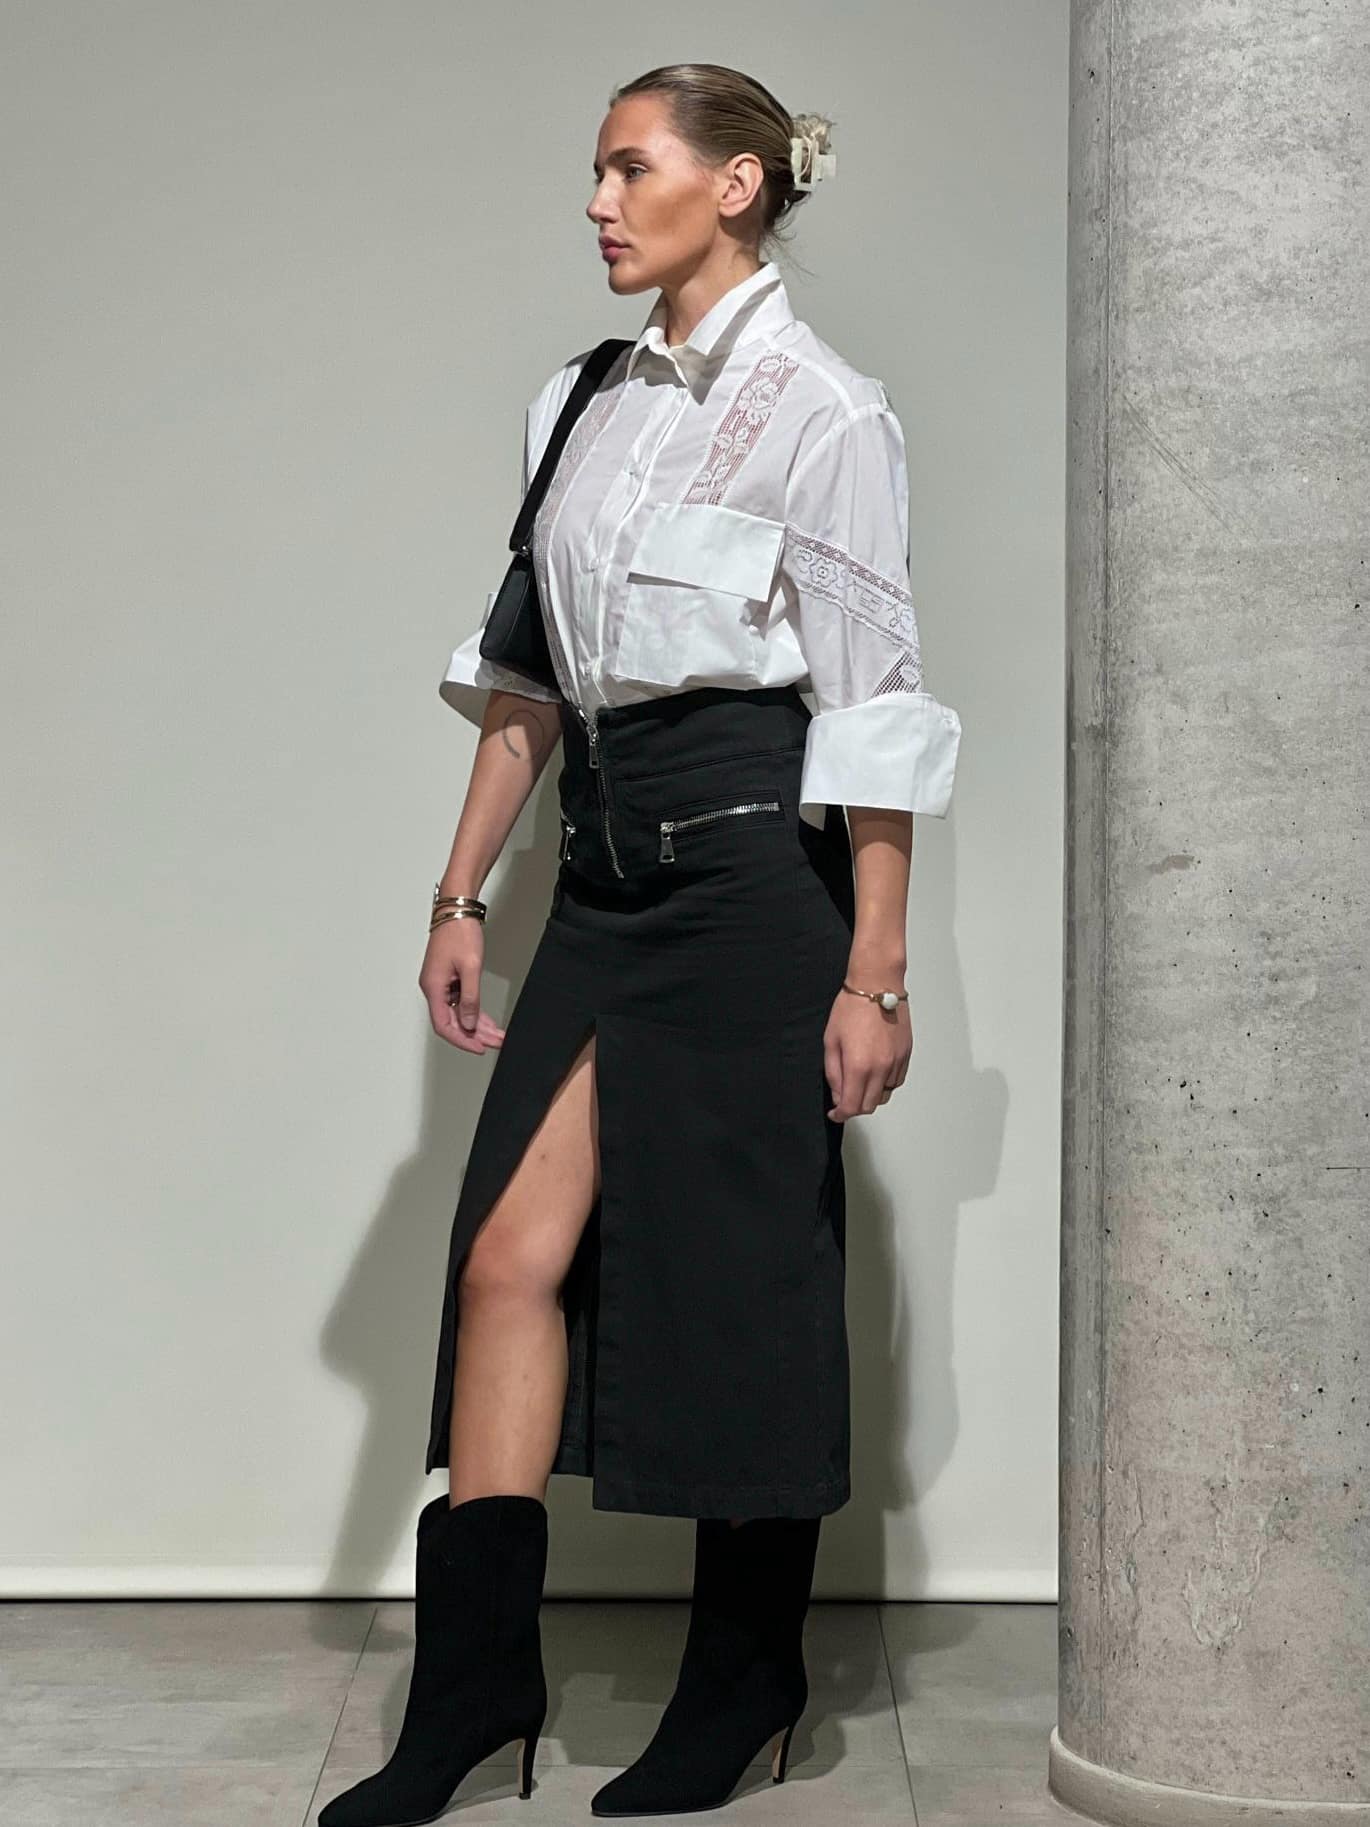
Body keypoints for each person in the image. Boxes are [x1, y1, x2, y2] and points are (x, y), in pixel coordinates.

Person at [318, 61, 961, 1827]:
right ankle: (472, 1696)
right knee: (505, 1265)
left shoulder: (826, 412)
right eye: (594, 173)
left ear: (736, 185)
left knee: (740, 1287)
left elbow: (875, 715)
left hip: (754, 884)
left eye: (628, 167)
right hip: (599, 884)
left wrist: (875, 971)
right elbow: (527, 680)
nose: (597, 202)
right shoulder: (578, 400)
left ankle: (743, 1685)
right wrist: (460, 894)